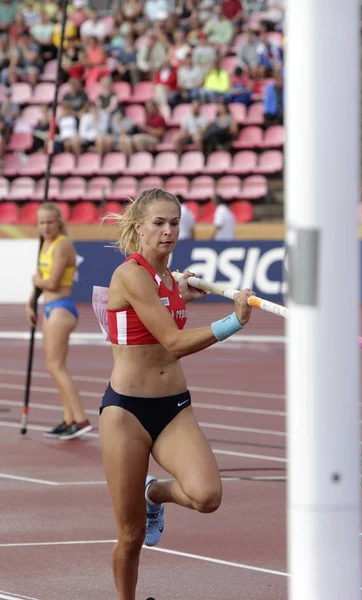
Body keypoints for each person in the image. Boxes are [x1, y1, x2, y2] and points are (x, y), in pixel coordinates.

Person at [98, 188, 255, 600]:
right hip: (126, 413)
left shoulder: (167, 277)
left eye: (174, 223)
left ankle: (155, 493)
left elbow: (159, 309)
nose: (168, 231)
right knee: (130, 534)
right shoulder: (129, 275)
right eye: (159, 223)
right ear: (139, 226)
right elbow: (174, 342)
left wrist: (178, 294)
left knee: (206, 496)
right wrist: (232, 322)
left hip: (173, 408)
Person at [26, 202, 93, 440]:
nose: (45, 226)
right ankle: (68, 420)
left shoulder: (63, 244)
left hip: (61, 309)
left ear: (58, 222)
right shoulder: (45, 244)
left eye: (49, 222)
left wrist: (35, 279)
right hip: (49, 308)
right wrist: (30, 302)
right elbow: (41, 283)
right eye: (41, 222)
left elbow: (51, 283)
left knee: (56, 367)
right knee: (55, 366)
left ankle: (80, 418)